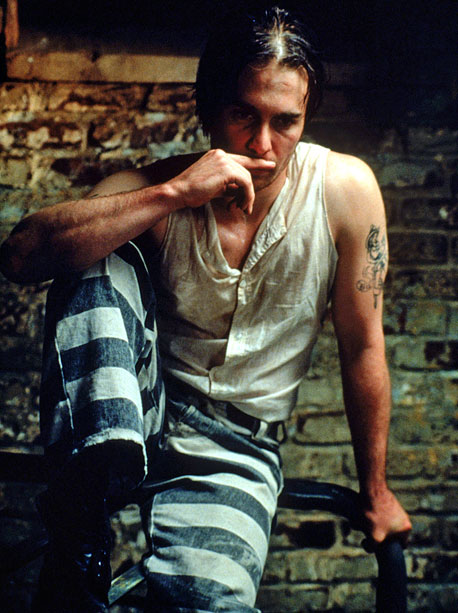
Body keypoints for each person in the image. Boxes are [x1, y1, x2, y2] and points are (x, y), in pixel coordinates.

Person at [0, 6, 411, 613]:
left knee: (204, 603)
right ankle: (81, 514)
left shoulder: (345, 192)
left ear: (306, 118)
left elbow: (364, 346)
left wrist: (375, 490)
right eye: (244, 114)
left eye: (285, 121)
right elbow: (20, 255)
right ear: (210, 107)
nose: (263, 144)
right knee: (94, 250)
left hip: (237, 450)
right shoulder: (164, 186)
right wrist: (173, 194)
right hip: (138, 413)